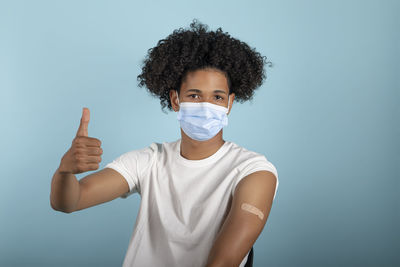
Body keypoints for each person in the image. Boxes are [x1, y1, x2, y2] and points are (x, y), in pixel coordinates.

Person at [50, 19, 279, 267]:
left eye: (217, 97)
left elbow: (224, 261)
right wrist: (65, 171)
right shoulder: (149, 160)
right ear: (175, 99)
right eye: (194, 95)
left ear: (230, 103)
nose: (206, 105)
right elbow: (69, 202)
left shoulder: (254, 171)